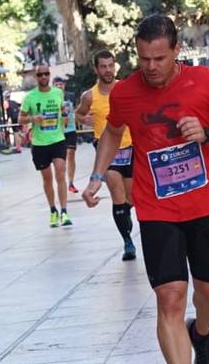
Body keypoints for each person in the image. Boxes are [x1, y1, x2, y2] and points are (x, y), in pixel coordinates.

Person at [83, 14, 209, 364]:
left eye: (159, 58)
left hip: (203, 203)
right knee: (170, 297)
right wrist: (96, 176)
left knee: (208, 291)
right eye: (143, 59)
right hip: (156, 209)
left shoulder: (204, 82)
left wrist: (208, 134)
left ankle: (202, 332)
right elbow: (111, 132)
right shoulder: (124, 92)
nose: (151, 67)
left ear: (177, 50)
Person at [81, 50, 138, 260]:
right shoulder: (89, 96)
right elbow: (79, 113)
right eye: (103, 66)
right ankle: (127, 242)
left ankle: (125, 212)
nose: (107, 70)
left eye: (110, 65)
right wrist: (84, 118)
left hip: (131, 148)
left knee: (131, 197)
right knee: (117, 193)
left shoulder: (125, 88)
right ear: (96, 69)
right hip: (107, 152)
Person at [20, 65, 71, 227]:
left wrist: (64, 115)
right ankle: (53, 210)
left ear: (49, 75)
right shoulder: (30, 97)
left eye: (46, 74)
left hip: (57, 139)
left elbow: (62, 110)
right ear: (36, 77)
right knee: (47, 178)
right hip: (40, 143)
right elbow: (21, 118)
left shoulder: (57, 93)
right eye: (40, 74)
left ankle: (64, 211)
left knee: (61, 173)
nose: (43, 77)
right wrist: (33, 118)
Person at [54, 77, 81, 193]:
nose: (59, 86)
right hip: (58, 131)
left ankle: (71, 182)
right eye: (57, 85)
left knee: (71, 154)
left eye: (61, 84)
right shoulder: (51, 97)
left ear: (64, 85)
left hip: (70, 130)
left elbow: (76, 110)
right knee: (61, 159)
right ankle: (62, 182)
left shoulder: (70, 96)